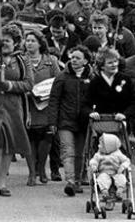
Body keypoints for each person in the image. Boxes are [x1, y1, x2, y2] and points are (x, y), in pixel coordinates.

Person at [0, 24, 33, 197]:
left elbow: (28, 84)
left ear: (16, 43)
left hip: (12, 107)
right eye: (2, 40)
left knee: (9, 144)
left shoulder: (22, 61)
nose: (5, 44)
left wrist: (10, 85)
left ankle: (2, 182)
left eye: (8, 41)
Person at [48, 45, 94, 196]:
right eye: (72, 57)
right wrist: (52, 121)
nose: (74, 60)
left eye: (78, 58)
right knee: (68, 151)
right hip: (65, 120)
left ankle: (79, 180)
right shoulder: (62, 77)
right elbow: (54, 100)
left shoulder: (92, 78)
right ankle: (71, 181)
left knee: (81, 153)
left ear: (86, 61)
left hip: (84, 121)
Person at [23, 30, 60, 186]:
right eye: (27, 40)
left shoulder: (51, 61)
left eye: (32, 40)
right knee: (30, 139)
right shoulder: (22, 60)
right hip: (28, 103)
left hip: (46, 104)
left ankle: (42, 169)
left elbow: (59, 81)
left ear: (40, 43)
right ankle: (32, 172)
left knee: (46, 138)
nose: (29, 43)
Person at [83, 47, 135, 135]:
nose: (114, 64)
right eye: (110, 63)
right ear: (102, 65)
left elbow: (133, 102)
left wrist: (125, 114)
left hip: (122, 125)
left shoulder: (126, 80)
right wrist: (91, 113)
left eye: (115, 61)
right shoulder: (95, 82)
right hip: (101, 126)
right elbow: (85, 104)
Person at [89, 133, 131, 211]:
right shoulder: (99, 154)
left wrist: (122, 167)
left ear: (109, 147)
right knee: (102, 179)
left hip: (116, 172)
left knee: (121, 178)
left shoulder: (118, 154)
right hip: (104, 172)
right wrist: (94, 166)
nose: (99, 146)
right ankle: (105, 192)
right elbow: (93, 161)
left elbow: (127, 161)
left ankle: (120, 190)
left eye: (101, 144)